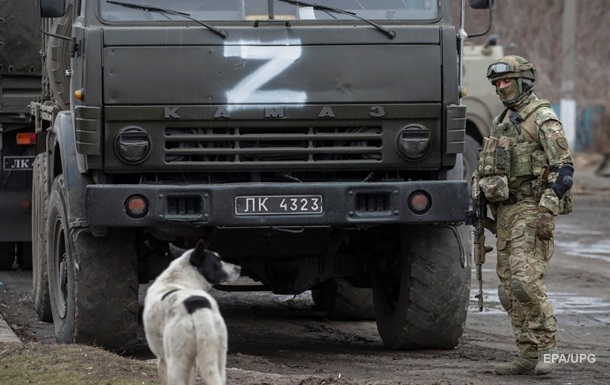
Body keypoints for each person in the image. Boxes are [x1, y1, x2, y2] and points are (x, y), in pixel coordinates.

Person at [473, 55, 574, 375]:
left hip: (530, 207)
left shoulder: (542, 117)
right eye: (497, 83)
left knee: (525, 282)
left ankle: (547, 348)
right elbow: (488, 165)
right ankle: (526, 352)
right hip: (504, 211)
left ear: (524, 81)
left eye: (507, 81)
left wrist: (547, 210)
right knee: (507, 288)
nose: (501, 87)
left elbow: (563, 168)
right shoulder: (502, 119)